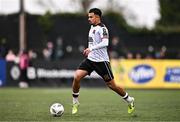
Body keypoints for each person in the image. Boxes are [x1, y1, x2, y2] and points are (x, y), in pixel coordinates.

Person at [71, 8, 135, 114]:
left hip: (102, 62)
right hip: (90, 60)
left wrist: (91, 49)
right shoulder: (91, 27)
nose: (89, 19)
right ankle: (75, 101)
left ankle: (129, 100)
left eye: (91, 17)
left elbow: (105, 43)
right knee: (77, 76)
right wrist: (89, 50)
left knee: (112, 86)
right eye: (88, 17)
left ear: (97, 17)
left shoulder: (102, 28)